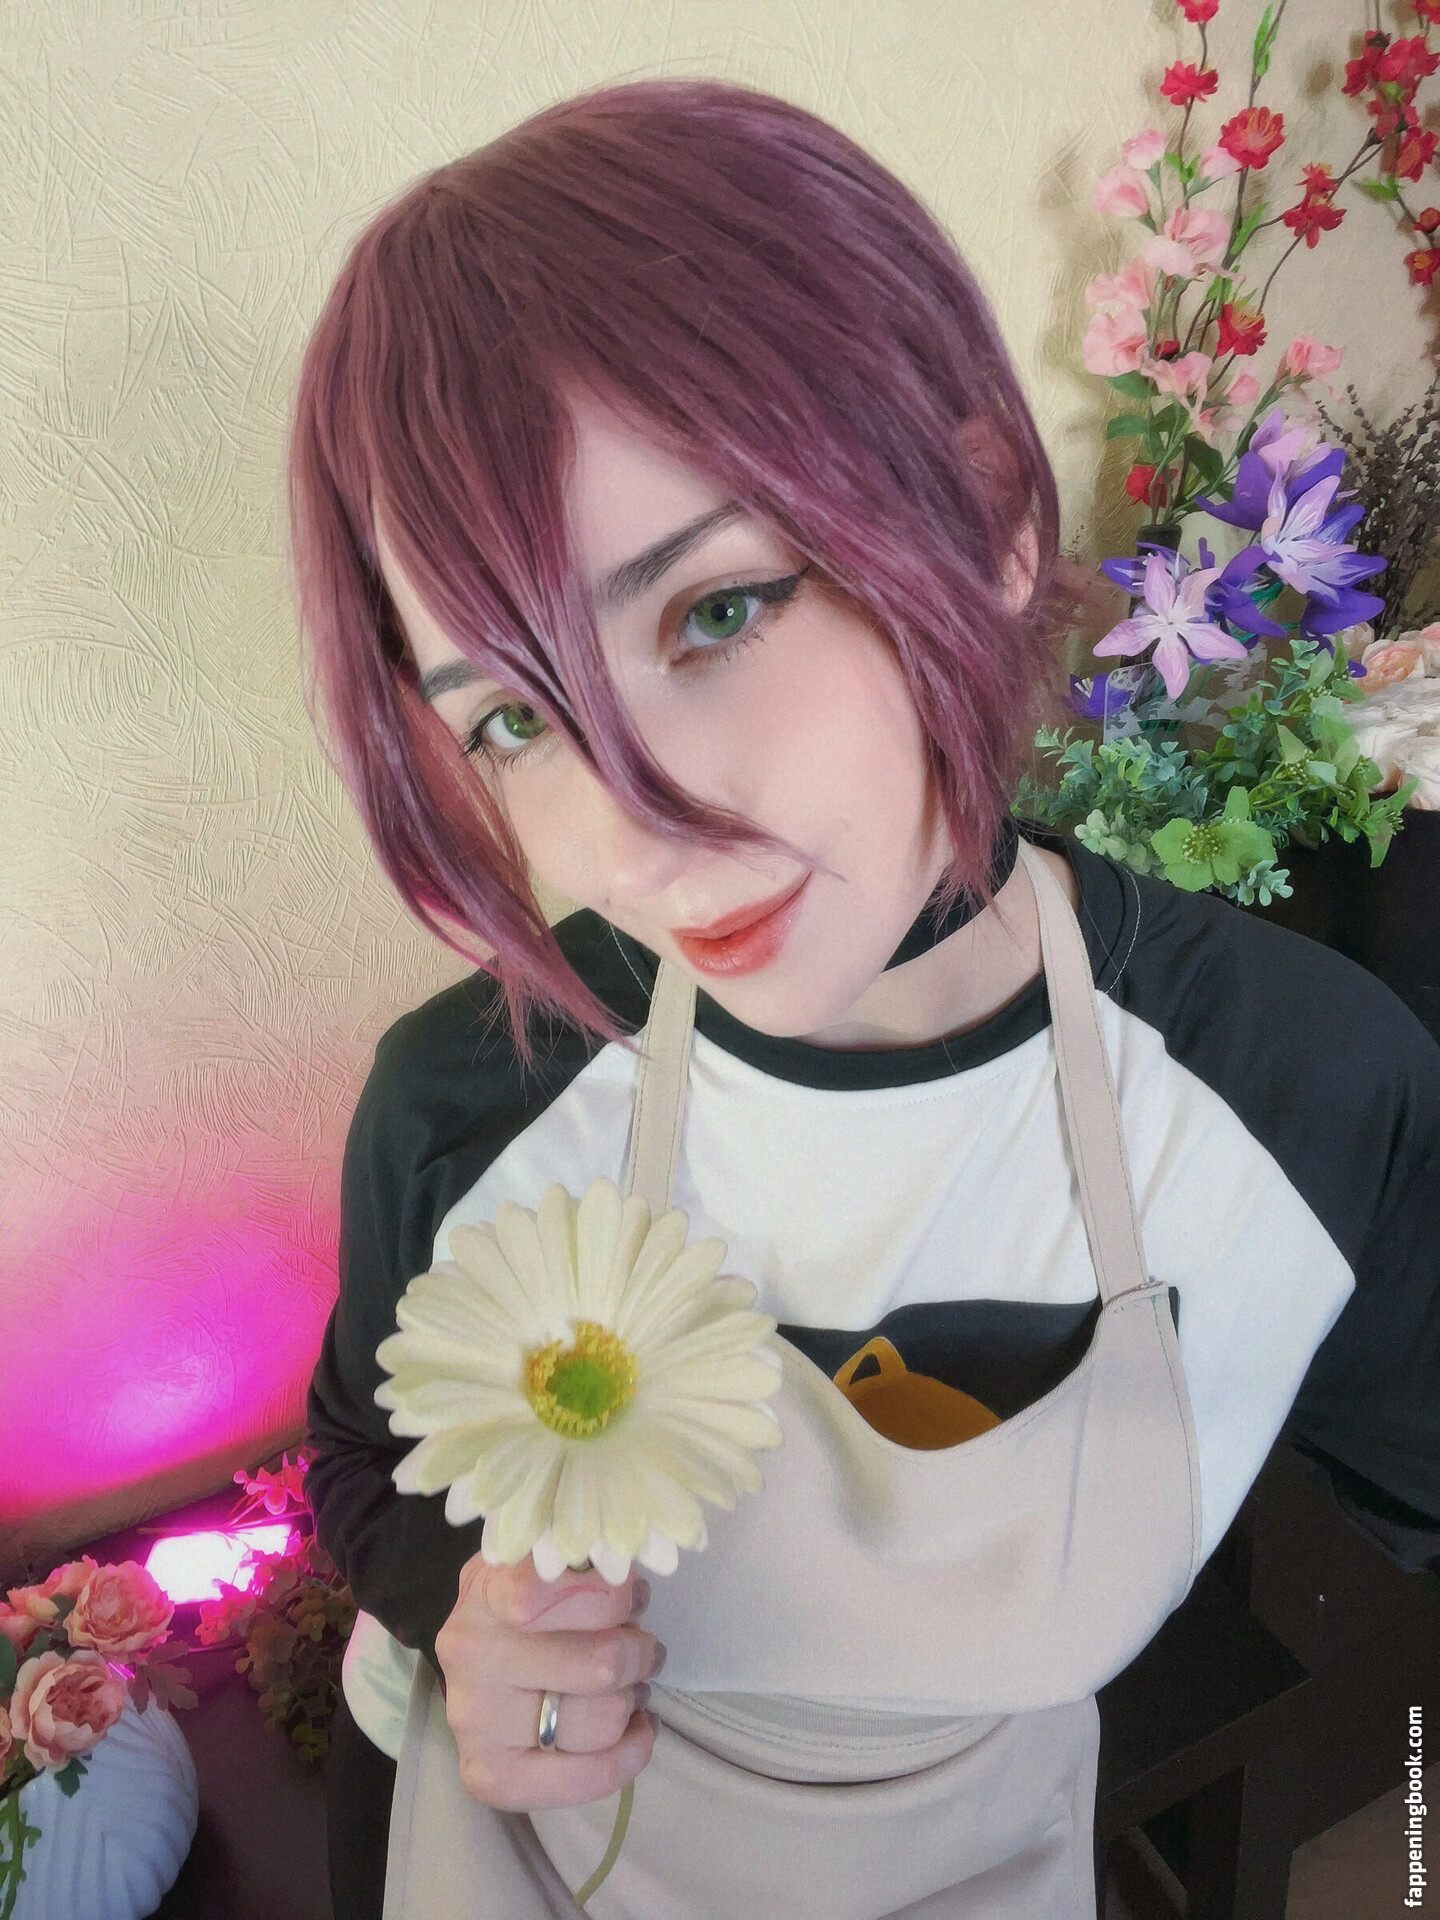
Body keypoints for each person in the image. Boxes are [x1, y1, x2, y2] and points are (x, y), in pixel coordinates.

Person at [293, 79, 1440, 1920]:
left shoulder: (1295, 1091)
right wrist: (463, 1621)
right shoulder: (470, 1103)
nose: (632, 840)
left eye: (713, 613)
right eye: (511, 718)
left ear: (984, 515)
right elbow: (364, 1453)